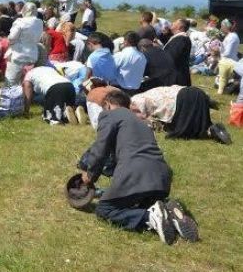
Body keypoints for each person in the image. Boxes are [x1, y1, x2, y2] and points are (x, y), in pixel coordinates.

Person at [78, 90, 198, 245]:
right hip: (162, 177)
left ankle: (150, 218)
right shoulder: (139, 122)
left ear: (107, 105)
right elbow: (118, 157)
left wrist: (89, 175)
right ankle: (166, 211)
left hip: (136, 174)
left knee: (105, 209)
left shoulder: (110, 115)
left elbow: (100, 149)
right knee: (139, 204)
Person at [131, 85, 231, 144]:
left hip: (181, 99)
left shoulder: (135, 102)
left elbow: (143, 121)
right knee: (199, 123)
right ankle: (212, 129)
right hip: (194, 92)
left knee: (184, 129)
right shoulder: (144, 95)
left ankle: (210, 131)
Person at [6, 2, 44, 85]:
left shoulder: (20, 21)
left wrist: (10, 42)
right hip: (32, 55)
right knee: (25, 82)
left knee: (11, 82)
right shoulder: (39, 22)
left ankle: (8, 97)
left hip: (18, 55)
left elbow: (12, 37)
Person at [163, 19, 193, 87]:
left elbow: (172, 57)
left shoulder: (181, 39)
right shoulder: (179, 38)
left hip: (176, 78)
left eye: (174, 22)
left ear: (180, 27)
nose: (172, 23)